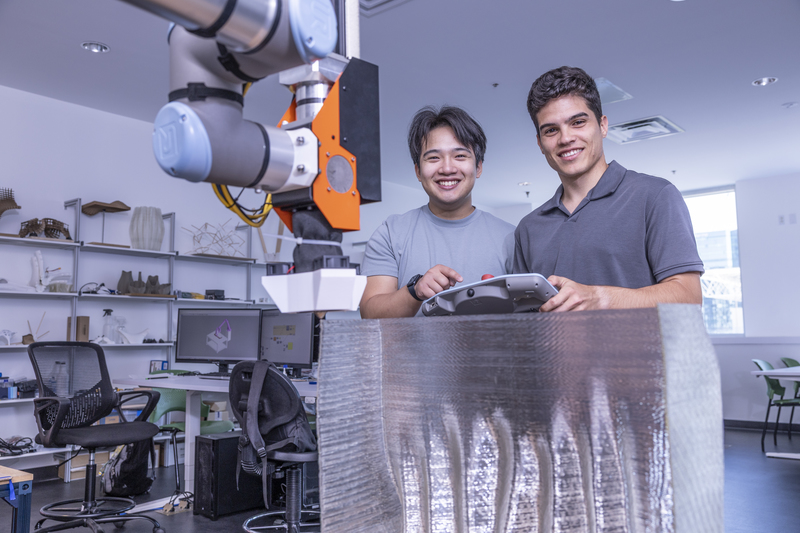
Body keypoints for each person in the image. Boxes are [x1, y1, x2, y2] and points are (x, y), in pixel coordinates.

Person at [514, 66, 704, 312]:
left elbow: (689, 296)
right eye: (551, 130)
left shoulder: (655, 196)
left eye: (578, 122)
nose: (565, 138)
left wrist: (600, 298)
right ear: (540, 143)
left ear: (603, 126)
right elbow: (522, 320)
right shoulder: (528, 228)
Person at [360, 105, 515, 318]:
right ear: (418, 171)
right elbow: (369, 314)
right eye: (433, 158)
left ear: (478, 167)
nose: (447, 168)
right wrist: (415, 291)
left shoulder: (512, 237)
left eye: (460, 156)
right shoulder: (390, 234)